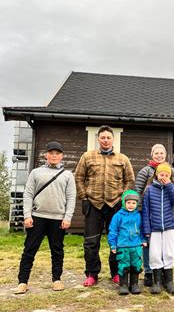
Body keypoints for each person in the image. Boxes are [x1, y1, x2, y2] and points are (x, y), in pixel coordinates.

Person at [75, 125, 135, 287]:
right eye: (103, 137)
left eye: (109, 137)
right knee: (91, 242)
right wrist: (84, 197)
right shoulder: (88, 157)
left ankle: (116, 272)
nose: (106, 140)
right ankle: (92, 274)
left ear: (113, 139)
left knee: (116, 241)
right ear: (98, 139)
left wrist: (123, 198)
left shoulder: (122, 159)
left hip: (115, 205)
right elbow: (79, 177)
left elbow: (130, 180)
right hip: (93, 205)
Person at [15, 142, 76, 294]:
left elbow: (71, 197)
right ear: (46, 155)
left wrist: (67, 217)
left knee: (57, 250)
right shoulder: (36, 173)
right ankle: (23, 282)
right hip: (37, 217)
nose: (54, 156)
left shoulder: (67, 175)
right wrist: (27, 215)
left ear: (62, 156)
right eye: (51, 153)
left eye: (57, 153)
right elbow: (28, 194)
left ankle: (57, 280)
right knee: (29, 249)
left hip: (58, 218)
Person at [135, 143, 174, 287]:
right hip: (150, 216)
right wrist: (143, 217)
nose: (159, 155)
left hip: (167, 219)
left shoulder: (172, 172)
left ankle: (167, 280)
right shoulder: (145, 173)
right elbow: (138, 192)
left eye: (162, 153)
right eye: (156, 153)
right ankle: (150, 274)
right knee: (150, 249)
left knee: (168, 251)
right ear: (152, 154)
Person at [142, 163, 174, 294]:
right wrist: (146, 229)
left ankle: (169, 281)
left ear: (170, 176)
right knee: (155, 254)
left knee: (169, 253)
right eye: (161, 174)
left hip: (169, 226)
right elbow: (146, 210)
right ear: (156, 175)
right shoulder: (149, 189)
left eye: (166, 175)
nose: (163, 177)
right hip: (155, 228)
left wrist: (169, 185)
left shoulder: (173, 187)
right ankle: (157, 282)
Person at [108, 190, 147, 295]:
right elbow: (113, 231)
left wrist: (143, 240)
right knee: (124, 265)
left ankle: (134, 284)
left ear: (137, 204)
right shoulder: (118, 216)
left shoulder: (138, 216)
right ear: (124, 203)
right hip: (123, 246)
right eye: (128, 202)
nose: (131, 205)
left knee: (136, 265)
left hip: (136, 245)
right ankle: (123, 285)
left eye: (133, 203)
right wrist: (113, 244)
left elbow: (141, 229)